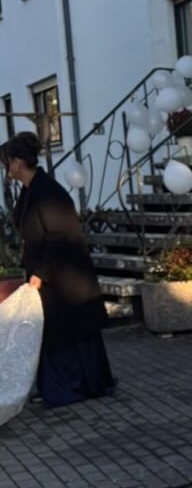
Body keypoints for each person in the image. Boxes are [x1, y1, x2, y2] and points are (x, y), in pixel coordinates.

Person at [1, 132, 113, 408]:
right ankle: (58, 385)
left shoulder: (48, 192)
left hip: (64, 276)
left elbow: (60, 235)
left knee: (67, 331)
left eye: (7, 163)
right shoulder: (30, 190)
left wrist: (41, 273)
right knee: (54, 331)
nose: (6, 169)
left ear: (18, 162)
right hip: (52, 274)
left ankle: (72, 386)